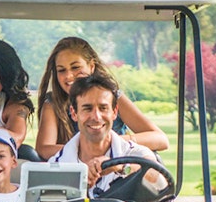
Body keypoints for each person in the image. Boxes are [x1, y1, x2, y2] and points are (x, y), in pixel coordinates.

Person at [50, 73, 166, 202]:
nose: (96, 117)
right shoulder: (56, 165)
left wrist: (119, 167)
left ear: (114, 112)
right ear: (74, 113)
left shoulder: (135, 153)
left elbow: (155, 174)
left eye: (103, 108)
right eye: (87, 108)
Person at [35, 36, 168, 160]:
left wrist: (111, 143)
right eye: (61, 70)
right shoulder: (53, 105)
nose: (69, 76)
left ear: (91, 66)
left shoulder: (111, 96)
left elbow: (160, 139)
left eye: (75, 67)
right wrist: (88, 151)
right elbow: (44, 149)